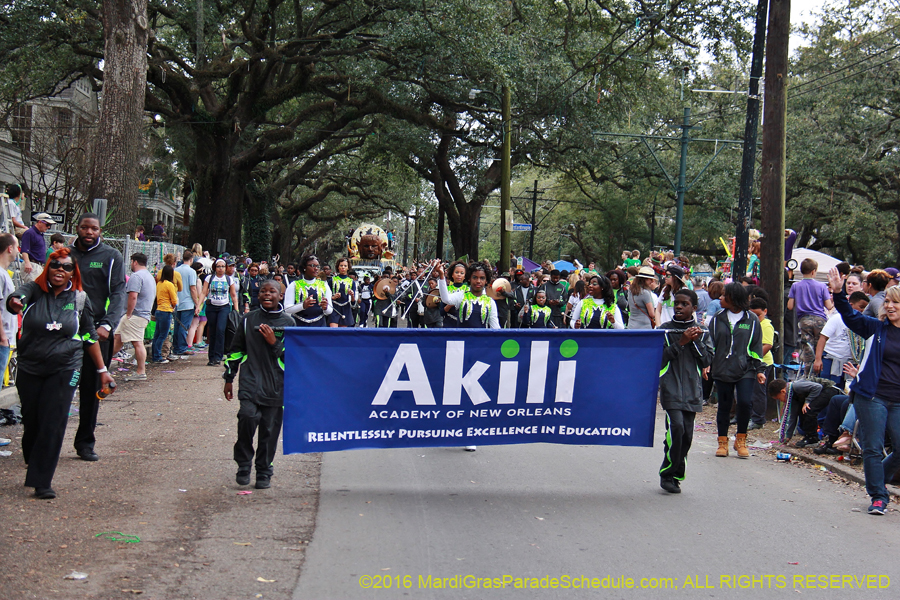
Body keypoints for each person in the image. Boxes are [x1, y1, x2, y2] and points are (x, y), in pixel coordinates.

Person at [6, 248, 114, 498]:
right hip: (31, 366)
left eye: (67, 267)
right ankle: (33, 457)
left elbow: (88, 336)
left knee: (54, 421)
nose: (60, 270)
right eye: (56, 265)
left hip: (66, 367)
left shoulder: (79, 299)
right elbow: (18, 296)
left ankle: (42, 481)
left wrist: (102, 370)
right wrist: (15, 300)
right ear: (48, 267)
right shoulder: (34, 291)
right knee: (32, 418)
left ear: (72, 273)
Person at [828, 266, 900, 515]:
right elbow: (849, 315)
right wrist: (839, 293)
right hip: (872, 396)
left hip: (898, 400)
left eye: (895, 302)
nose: (889, 306)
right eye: (887, 302)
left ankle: (879, 477)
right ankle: (879, 496)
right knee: (871, 446)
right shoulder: (876, 328)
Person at [224, 280, 294, 490]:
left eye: (272, 291)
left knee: (269, 431)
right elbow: (235, 350)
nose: (267, 294)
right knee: (247, 417)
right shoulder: (247, 320)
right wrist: (229, 378)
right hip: (250, 381)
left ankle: (264, 471)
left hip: (277, 386)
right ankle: (243, 465)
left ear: (280, 296)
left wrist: (275, 343)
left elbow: (294, 358)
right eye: (263, 291)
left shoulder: (289, 323)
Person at [69, 213, 126, 461]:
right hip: (65, 330)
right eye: (84, 228)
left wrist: (107, 324)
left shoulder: (111, 256)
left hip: (96, 332)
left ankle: (85, 442)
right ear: (78, 229)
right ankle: (43, 441)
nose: (89, 232)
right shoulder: (64, 256)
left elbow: (118, 293)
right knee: (58, 387)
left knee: (92, 389)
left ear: (100, 231)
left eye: (94, 228)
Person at [435, 259, 499, 452]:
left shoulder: (491, 303)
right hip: (459, 350)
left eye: (481, 279)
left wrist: (496, 350)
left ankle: (470, 433)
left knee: (472, 392)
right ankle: (452, 428)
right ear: (469, 280)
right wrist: (441, 277)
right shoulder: (461, 295)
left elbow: (495, 328)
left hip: (480, 352)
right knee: (455, 390)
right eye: (474, 278)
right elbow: (445, 299)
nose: (478, 281)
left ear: (487, 281)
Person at [657, 289, 713, 493]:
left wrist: (694, 340)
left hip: (692, 390)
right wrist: (681, 342)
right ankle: (667, 474)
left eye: (684, 304)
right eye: (676, 303)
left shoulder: (702, 331)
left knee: (686, 436)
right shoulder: (665, 330)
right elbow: (660, 358)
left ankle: (677, 475)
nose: (679, 307)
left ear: (694, 308)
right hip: (671, 388)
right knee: (676, 428)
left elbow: (707, 359)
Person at [707, 282, 767, 459]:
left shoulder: (752, 320)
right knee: (724, 406)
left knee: (745, 402)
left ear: (733, 298)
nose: (720, 298)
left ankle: (741, 439)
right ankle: (722, 442)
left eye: (724, 295)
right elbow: (710, 344)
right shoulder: (717, 318)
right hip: (723, 368)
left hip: (746, 368)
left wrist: (759, 369)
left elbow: (756, 346)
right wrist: (707, 364)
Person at [112, 253, 156, 381]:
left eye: (131, 261)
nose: (130, 264)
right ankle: (102, 365)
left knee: (137, 342)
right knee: (117, 338)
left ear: (135, 262)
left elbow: (133, 296)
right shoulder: (149, 276)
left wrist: (129, 313)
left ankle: (141, 372)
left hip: (135, 314)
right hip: (142, 313)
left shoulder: (136, 276)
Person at [813, 291, 870, 386]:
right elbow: (823, 338)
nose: (863, 310)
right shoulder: (837, 318)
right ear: (851, 305)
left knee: (845, 388)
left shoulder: (862, 321)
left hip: (850, 362)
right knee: (827, 386)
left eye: (865, 308)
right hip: (831, 359)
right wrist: (818, 359)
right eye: (861, 307)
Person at [787, 258, 833, 366]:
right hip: (820, 319)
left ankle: (808, 372)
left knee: (807, 347)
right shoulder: (822, 286)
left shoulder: (795, 286)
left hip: (804, 320)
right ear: (813, 271)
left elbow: (790, 306)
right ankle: (820, 369)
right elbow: (829, 306)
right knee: (820, 347)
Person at [200, 259, 239, 365]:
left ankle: (218, 356)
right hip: (211, 307)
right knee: (212, 331)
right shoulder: (209, 278)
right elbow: (204, 292)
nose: (220, 268)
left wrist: (236, 309)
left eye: (222, 266)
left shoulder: (229, 279)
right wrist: (199, 306)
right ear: (215, 267)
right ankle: (211, 357)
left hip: (224, 307)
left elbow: (233, 295)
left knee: (220, 330)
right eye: (218, 266)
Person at [747, 297, 776, 430]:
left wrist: (755, 358)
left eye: (758, 314)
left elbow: (768, 345)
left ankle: (758, 419)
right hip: (750, 361)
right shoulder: (750, 323)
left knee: (758, 391)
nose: (756, 317)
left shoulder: (766, 325)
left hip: (763, 362)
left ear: (765, 311)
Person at [284, 255, 332, 327]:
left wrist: (325, 307)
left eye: (318, 266)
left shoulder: (324, 285)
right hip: (299, 325)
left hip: (319, 325)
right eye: (312, 265)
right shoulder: (294, 285)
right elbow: (287, 309)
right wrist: (302, 306)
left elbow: (330, 310)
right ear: (304, 267)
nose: (316, 269)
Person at [173, 250, 200, 357]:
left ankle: (176, 346)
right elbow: (192, 288)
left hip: (177, 301)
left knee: (177, 326)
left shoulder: (176, 270)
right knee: (184, 326)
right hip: (188, 302)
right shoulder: (191, 272)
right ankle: (182, 347)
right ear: (191, 259)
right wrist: (197, 303)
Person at [151, 265, 178, 364]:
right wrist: (174, 306)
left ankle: (155, 355)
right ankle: (158, 356)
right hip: (166, 310)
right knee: (163, 335)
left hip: (158, 310)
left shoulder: (159, 284)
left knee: (157, 335)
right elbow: (174, 299)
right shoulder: (169, 284)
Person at [0, 233, 18, 377]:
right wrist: (3, 337)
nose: (19, 250)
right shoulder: (0, 274)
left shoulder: (5, 273)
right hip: (2, 340)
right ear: (10, 248)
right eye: (17, 246)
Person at [20, 212, 55, 283]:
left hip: (38, 266)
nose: (48, 227)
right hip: (32, 265)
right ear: (40, 222)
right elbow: (25, 249)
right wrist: (27, 263)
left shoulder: (39, 234)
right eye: (47, 225)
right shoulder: (30, 233)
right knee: (33, 288)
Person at [328, 258, 357, 327]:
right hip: (334, 308)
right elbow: (326, 296)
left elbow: (353, 303)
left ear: (348, 268)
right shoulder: (332, 280)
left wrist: (352, 295)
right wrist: (333, 297)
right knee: (333, 332)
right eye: (341, 265)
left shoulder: (351, 282)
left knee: (342, 333)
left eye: (345, 266)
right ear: (338, 267)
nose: (343, 267)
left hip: (346, 308)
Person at [442, 261, 469, 328]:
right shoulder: (446, 289)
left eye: (462, 273)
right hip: (449, 324)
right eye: (456, 272)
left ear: (465, 276)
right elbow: (441, 312)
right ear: (452, 274)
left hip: (464, 325)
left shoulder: (468, 290)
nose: (459, 275)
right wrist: (449, 305)